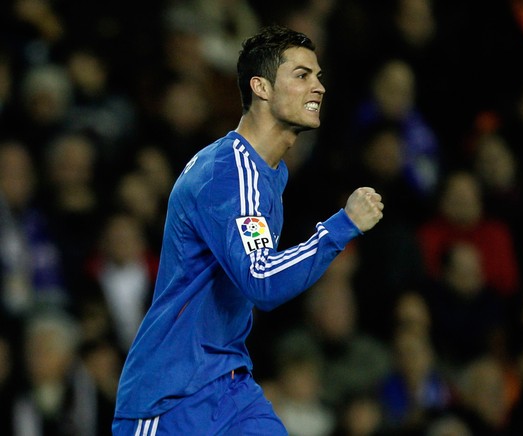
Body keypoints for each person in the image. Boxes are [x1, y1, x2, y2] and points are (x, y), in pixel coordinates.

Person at [111, 24, 384, 435]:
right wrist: (340, 227)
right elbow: (262, 279)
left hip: (229, 386)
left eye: (319, 76)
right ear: (261, 87)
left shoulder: (267, 174)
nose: (319, 87)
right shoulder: (227, 174)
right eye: (302, 75)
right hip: (171, 398)